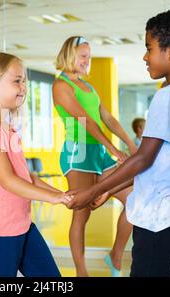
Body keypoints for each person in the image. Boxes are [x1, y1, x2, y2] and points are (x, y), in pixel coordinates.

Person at [67, 10, 170, 277]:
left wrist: (94, 191)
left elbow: (144, 159)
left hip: (158, 219)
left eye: (149, 48)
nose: (144, 56)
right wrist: (111, 190)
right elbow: (160, 166)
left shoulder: (167, 97)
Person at [0, 52, 72, 277]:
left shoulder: (5, 127)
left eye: (24, 81)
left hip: (21, 222)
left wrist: (62, 195)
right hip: (0, 227)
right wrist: (52, 198)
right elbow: (8, 180)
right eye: (17, 81)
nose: (23, 87)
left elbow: (27, 177)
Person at [53, 36, 137, 277]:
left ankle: (115, 257)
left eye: (88, 56)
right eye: (82, 56)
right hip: (78, 152)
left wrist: (131, 144)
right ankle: (81, 271)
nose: (86, 61)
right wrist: (113, 148)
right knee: (82, 213)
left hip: (99, 152)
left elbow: (107, 118)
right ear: (69, 55)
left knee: (134, 200)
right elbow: (86, 122)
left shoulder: (88, 87)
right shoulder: (61, 85)